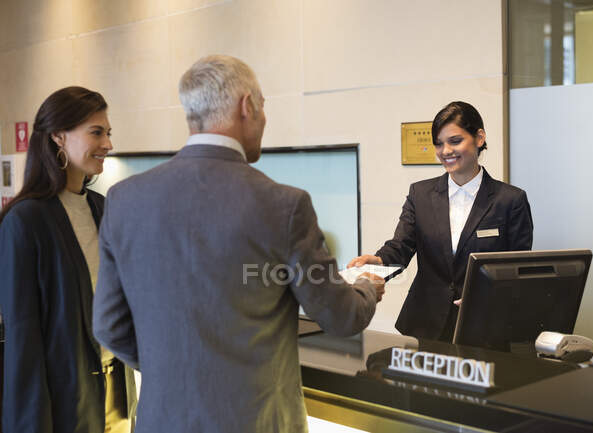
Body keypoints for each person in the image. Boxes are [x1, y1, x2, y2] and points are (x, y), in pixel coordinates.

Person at [92, 55, 384, 433]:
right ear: (247, 106)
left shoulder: (124, 200)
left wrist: (173, 374)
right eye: (263, 108)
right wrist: (366, 288)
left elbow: (109, 325)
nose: (264, 120)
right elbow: (340, 315)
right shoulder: (285, 205)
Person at [0, 87, 137, 433]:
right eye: (96, 132)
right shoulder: (25, 221)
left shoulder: (102, 207)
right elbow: (23, 341)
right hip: (62, 404)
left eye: (108, 133)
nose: (107, 144)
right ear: (58, 137)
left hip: (116, 394)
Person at [348, 101, 533, 341]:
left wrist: (487, 296)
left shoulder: (510, 200)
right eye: (438, 144)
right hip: (425, 323)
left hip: (484, 327)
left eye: (455, 141)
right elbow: (401, 247)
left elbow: (517, 269)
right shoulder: (420, 194)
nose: (445, 151)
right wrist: (378, 260)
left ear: (479, 138)